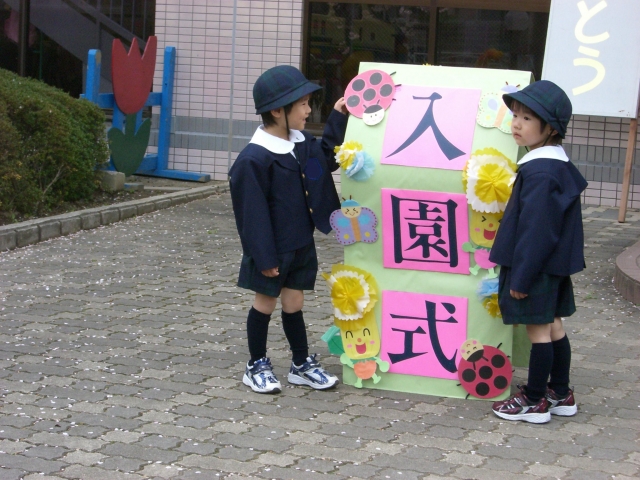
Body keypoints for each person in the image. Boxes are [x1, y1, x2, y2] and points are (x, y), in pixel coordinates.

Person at [229, 65, 348, 394]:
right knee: (265, 303)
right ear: (278, 110)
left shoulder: (301, 144)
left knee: (294, 302)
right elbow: (251, 215)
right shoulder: (253, 160)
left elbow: (325, 160)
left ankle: (299, 364)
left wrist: (339, 117)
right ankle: (256, 365)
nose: (309, 111)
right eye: (304, 104)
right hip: (270, 249)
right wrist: (264, 256)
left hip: (300, 243)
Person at [489, 80, 587, 423]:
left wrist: (522, 276)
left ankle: (533, 400)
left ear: (550, 128)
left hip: (535, 267)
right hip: (552, 266)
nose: (516, 123)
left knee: (538, 330)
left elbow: (536, 231)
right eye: (515, 115)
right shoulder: (553, 164)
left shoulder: (540, 171)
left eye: (528, 118)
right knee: (554, 325)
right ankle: (560, 392)